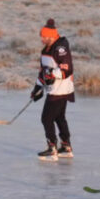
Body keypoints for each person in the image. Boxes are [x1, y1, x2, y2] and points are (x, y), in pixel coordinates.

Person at [30, 18, 74, 161]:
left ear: (51, 36)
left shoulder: (60, 48)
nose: (41, 39)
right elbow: (43, 72)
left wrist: (52, 75)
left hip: (60, 90)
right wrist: (37, 88)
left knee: (46, 118)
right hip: (53, 89)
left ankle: (52, 148)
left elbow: (67, 69)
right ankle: (66, 147)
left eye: (43, 37)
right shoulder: (46, 50)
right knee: (59, 117)